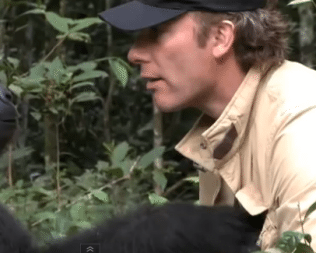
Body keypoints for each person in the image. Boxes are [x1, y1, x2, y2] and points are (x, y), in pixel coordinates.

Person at [99, 0, 316, 251]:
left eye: (157, 31)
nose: (134, 54)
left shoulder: (302, 126)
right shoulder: (224, 128)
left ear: (220, 37)